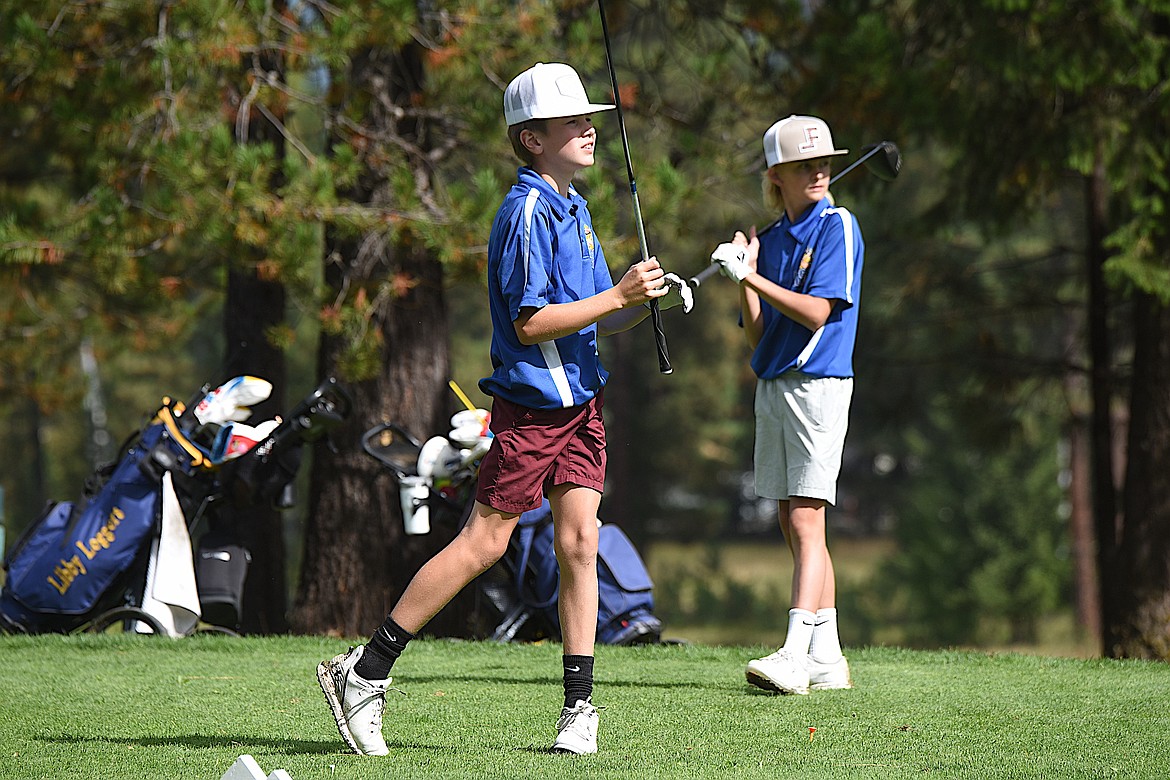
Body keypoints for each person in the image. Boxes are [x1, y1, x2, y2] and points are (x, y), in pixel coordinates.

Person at [317, 61, 688, 757]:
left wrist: (642, 302)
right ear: (531, 140)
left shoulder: (574, 209)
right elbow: (531, 322)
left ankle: (579, 711)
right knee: (486, 543)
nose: (588, 129)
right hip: (532, 411)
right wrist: (617, 297)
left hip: (583, 402)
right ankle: (364, 672)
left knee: (581, 543)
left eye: (589, 119)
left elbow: (592, 319)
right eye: (572, 121)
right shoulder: (523, 213)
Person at [710, 114, 863, 696]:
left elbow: (819, 311)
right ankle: (827, 655)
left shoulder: (837, 226)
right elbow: (759, 334)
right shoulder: (771, 240)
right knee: (789, 516)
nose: (819, 172)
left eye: (824, 161)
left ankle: (796, 655)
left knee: (806, 516)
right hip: (773, 383)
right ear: (777, 175)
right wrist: (745, 280)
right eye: (805, 165)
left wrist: (755, 275)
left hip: (819, 382)